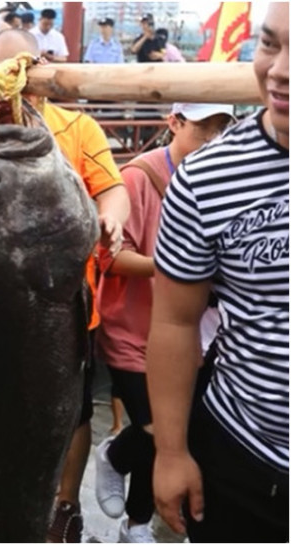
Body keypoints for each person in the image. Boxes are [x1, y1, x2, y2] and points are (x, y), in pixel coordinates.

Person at [0, 31, 130, 541]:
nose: (9, 81)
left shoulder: (78, 126)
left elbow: (112, 190)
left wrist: (110, 219)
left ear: (41, 65)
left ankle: (62, 502)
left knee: (70, 412)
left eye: (23, 65)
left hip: (60, 300)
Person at [147, 3, 289, 542]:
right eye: (270, 44)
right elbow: (174, 324)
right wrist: (171, 451)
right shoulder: (206, 177)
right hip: (245, 455)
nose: (278, 70)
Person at [95, 102, 235, 543]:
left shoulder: (222, 177)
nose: (213, 140)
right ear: (174, 123)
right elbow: (110, 257)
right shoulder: (139, 176)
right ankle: (115, 456)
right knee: (158, 429)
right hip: (134, 329)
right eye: (203, 128)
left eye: (220, 130)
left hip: (198, 332)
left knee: (172, 434)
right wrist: (176, 267)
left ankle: (136, 524)